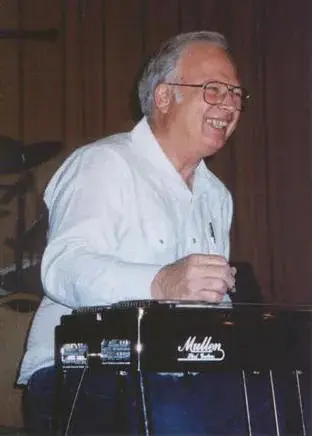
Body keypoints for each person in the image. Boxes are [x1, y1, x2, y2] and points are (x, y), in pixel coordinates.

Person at [17, 30, 278, 435]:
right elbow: (63, 267)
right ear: (163, 97)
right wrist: (160, 282)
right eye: (212, 89)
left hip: (179, 375)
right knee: (177, 412)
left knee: (286, 398)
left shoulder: (216, 196)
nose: (229, 104)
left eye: (235, 93)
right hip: (77, 373)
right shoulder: (104, 164)